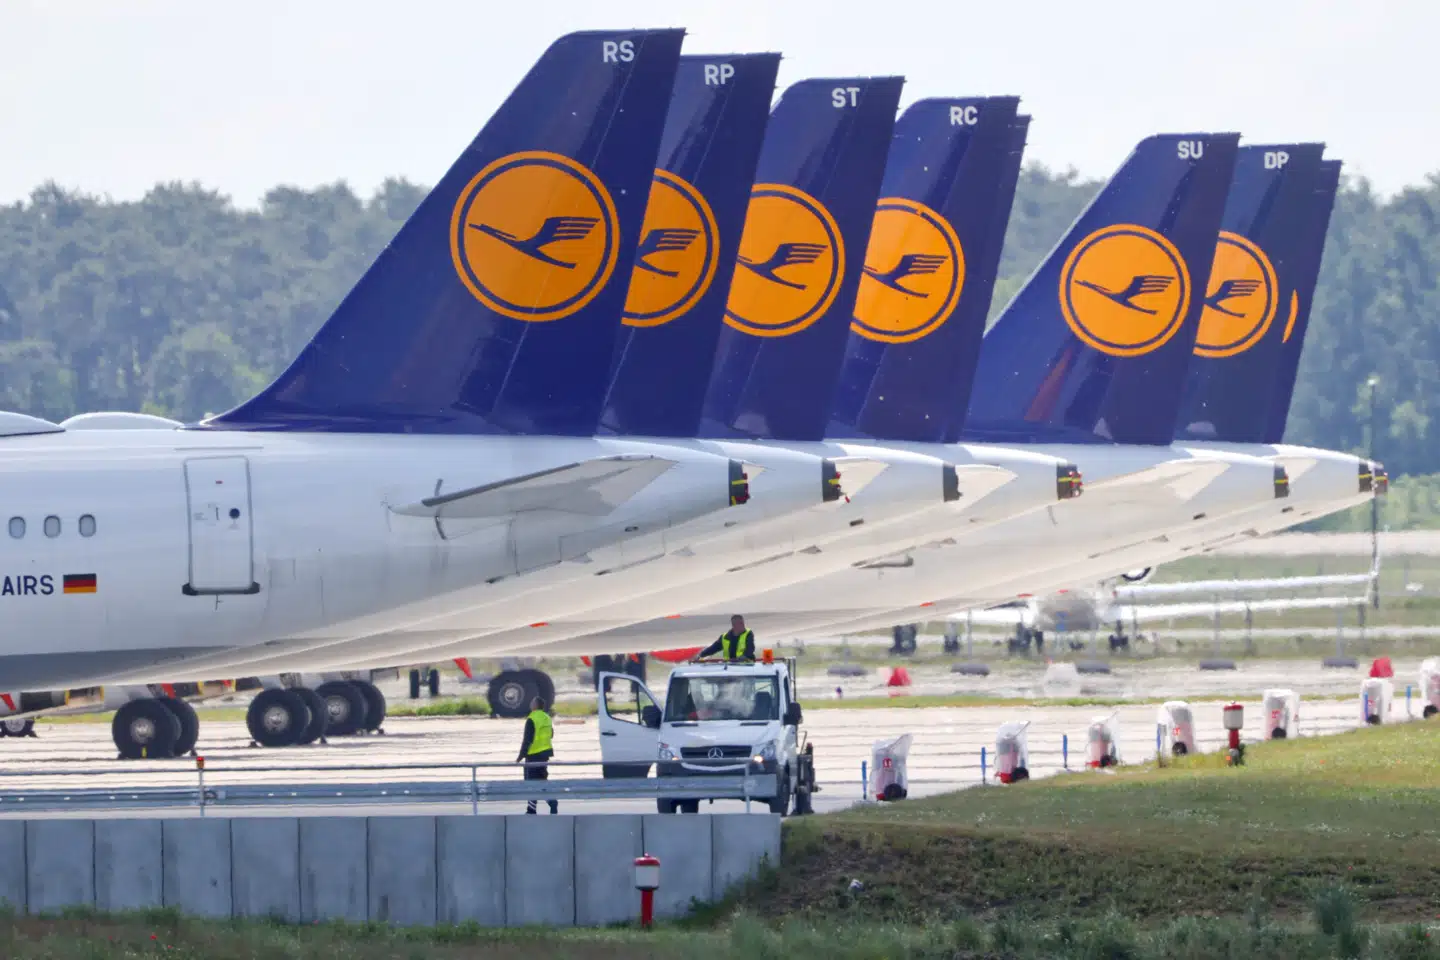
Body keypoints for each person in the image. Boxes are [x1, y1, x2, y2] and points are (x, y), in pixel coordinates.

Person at [517, 696, 558, 814]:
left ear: (535, 705)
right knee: (541, 780)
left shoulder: (532, 718)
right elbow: (551, 734)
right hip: (544, 755)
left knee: (530, 782)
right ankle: (551, 801)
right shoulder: (547, 718)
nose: (530, 704)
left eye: (531, 702)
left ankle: (531, 809)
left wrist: (521, 756)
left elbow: (527, 740)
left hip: (533, 755)